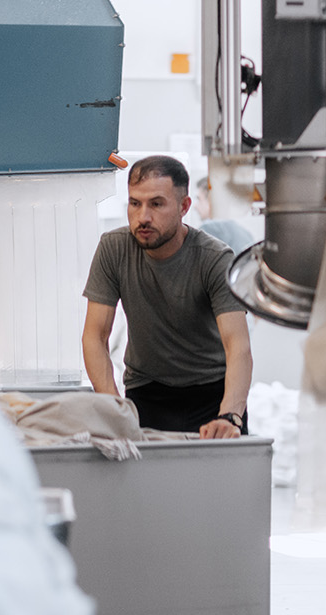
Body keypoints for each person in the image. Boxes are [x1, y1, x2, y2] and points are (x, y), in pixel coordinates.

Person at [82, 155, 252, 438]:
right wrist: (113, 407)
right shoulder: (114, 249)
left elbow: (238, 346)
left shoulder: (214, 258)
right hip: (147, 393)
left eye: (157, 204)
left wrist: (230, 415)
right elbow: (95, 336)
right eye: (135, 203)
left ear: (184, 207)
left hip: (212, 395)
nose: (143, 217)